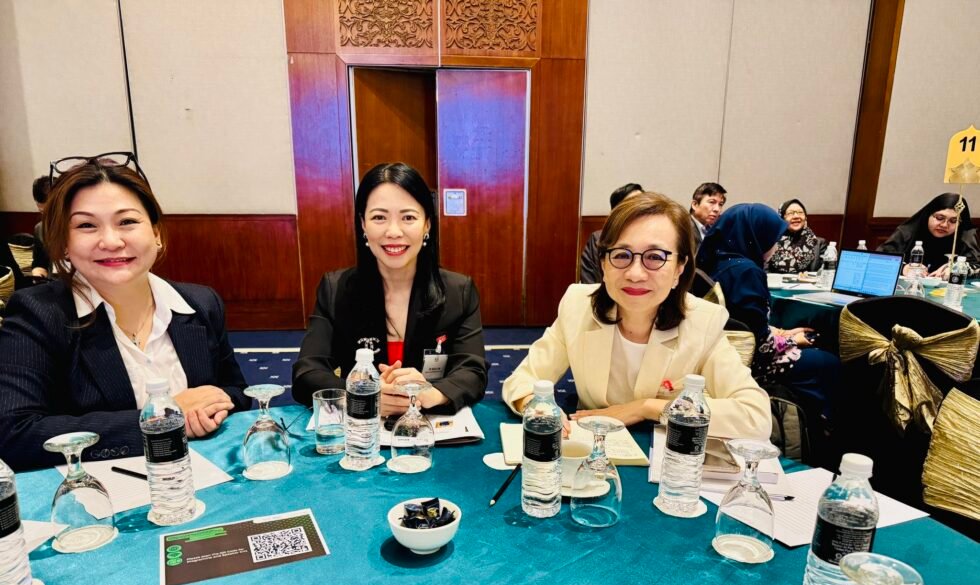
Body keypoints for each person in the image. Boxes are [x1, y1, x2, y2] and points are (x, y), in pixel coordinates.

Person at [0, 154, 249, 471]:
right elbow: (15, 434)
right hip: (102, 491)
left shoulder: (200, 303)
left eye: (127, 222)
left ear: (156, 233)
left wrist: (214, 407)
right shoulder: (39, 314)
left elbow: (236, 393)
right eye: (86, 225)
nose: (111, 241)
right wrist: (164, 418)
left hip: (205, 476)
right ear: (64, 244)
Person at [503, 192, 771, 439]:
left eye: (655, 257)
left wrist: (646, 407)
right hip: (592, 449)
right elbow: (522, 381)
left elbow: (755, 416)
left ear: (679, 267)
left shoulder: (703, 321)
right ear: (603, 264)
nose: (635, 273)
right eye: (621, 255)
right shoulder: (577, 306)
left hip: (666, 457)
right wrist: (537, 406)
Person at [292, 162, 487, 417]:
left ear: (427, 224)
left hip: (429, 427)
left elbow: (473, 371)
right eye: (379, 217)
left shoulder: (458, 292)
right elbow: (307, 373)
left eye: (408, 217)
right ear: (363, 224)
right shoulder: (335, 289)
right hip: (362, 430)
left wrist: (431, 393)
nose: (393, 232)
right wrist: (361, 395)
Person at [697, 204, 839, 418]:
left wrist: (782, 332)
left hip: (719, 352)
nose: (776, 245)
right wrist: (792, 340)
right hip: (749, 363)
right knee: (827, 361)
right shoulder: (747, 272)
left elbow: (742, 322)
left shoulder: (716, 260)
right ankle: (820, 426)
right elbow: (762, 347)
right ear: (756, 236)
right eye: (774, 239)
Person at [879, 193, 979, 277]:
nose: (944, 225)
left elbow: (977, 265)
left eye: (953, 221)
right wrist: (903, 268)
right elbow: (880, 259)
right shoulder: (907, 232)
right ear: (928, 215)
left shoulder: (966, 236)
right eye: (939, 218)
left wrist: (957, 269)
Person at [579, 183, 644, 284]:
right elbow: (590, 284)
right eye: (629, 206)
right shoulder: (598, 239)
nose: (636, 209)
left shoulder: (659, 239)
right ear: (614, 214)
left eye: (641, 203)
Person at [766, 198, 827, 274]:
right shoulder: (771, 241)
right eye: (790, 213)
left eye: (800, 212)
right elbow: (764, 271)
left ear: (805, 218)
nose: (796, 216)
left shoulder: (819, 244)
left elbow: (824, 274)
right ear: (781, 218)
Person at [689, 182, 727, 249]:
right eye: (712, 202)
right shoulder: (684, 228)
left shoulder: (716, 230)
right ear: (695, 205)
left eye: (720, 204)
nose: (717, 209)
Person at [30, 175, 53, 278]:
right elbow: (39, 264)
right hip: (54, 283)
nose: (49, 218)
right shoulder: (40, 228)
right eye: (43, 212)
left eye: (53, 211)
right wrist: (38, 276)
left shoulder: (82, 227)